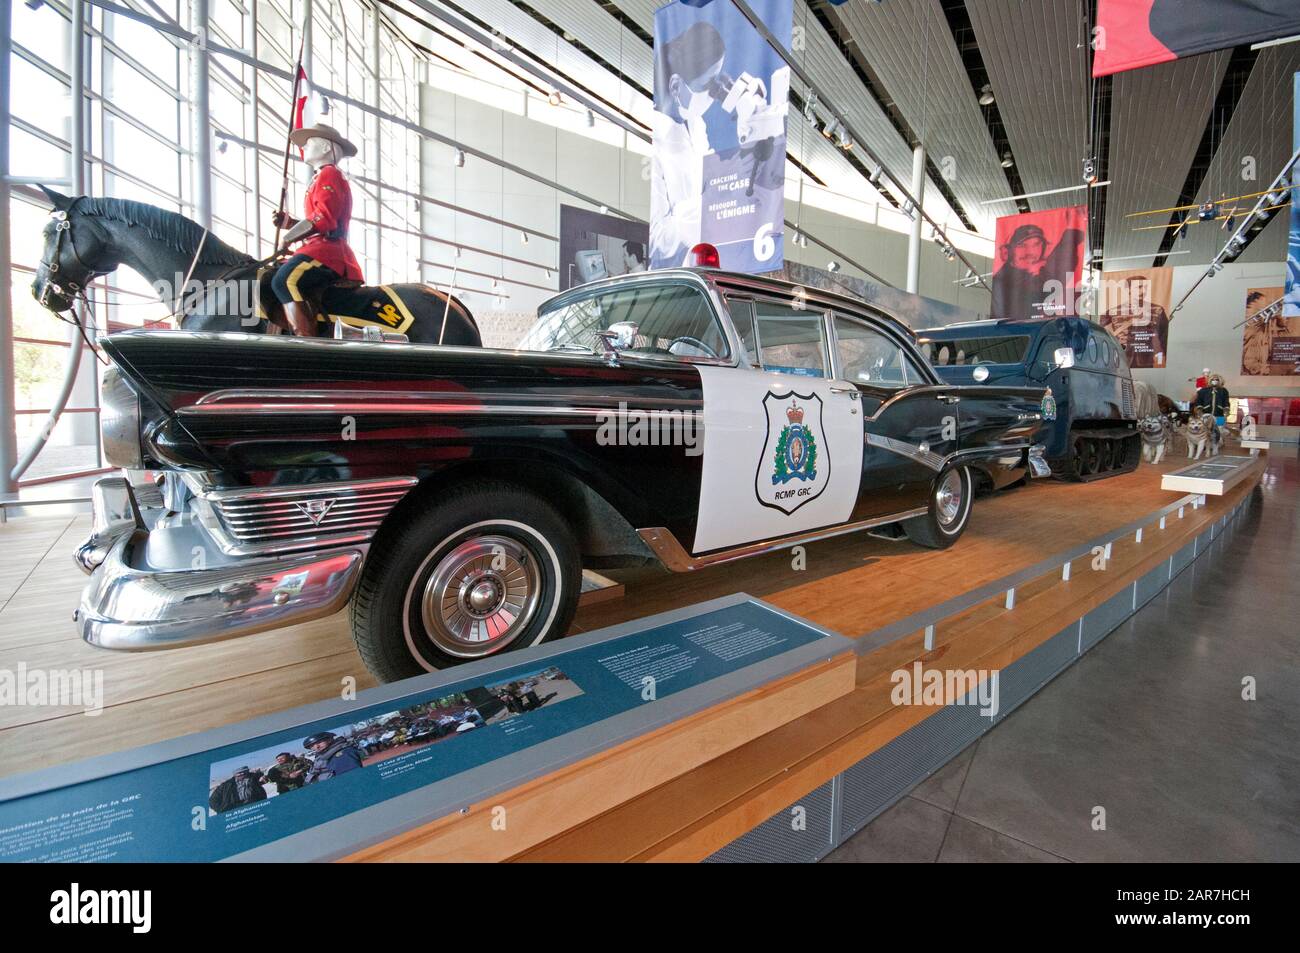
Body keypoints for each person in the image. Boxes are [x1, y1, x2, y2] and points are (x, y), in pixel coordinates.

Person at [270, 123, 363, 337]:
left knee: (284, 280)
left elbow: (324, 219)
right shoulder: (321, 176)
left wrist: (290, 237)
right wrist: (289, 223)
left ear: (326, 148)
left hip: (328, 252)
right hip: (316, 247)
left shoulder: (329, 175)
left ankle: (306, 342)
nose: (304, 147)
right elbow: (317, 218)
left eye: (309, 143)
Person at [649, 21, 726, 268]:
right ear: (675, 85)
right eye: (707, 84)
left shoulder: (696, 124)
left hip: (707, 263)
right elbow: (657, 238)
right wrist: (702, 207)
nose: (713, 93)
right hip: (676, 277)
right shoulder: (656, 146)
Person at [991, 223, 1085, 321]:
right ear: (1009, 251)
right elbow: (1050, 278)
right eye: (1022, 245)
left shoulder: (1024, 274)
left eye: (1036, 244)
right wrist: (1070, 235)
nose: (1030, 252)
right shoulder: (1004, 280)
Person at [1100, 274, 1170, 368]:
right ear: (1127, 290)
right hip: (1119, 362)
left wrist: (1160, 361)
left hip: (1145, 363)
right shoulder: (1112, 312)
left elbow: (1164, 340)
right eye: (1139, 287)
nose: (1143, 291)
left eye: (1146, 287)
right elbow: (1103, 337)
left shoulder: (1157, 310)